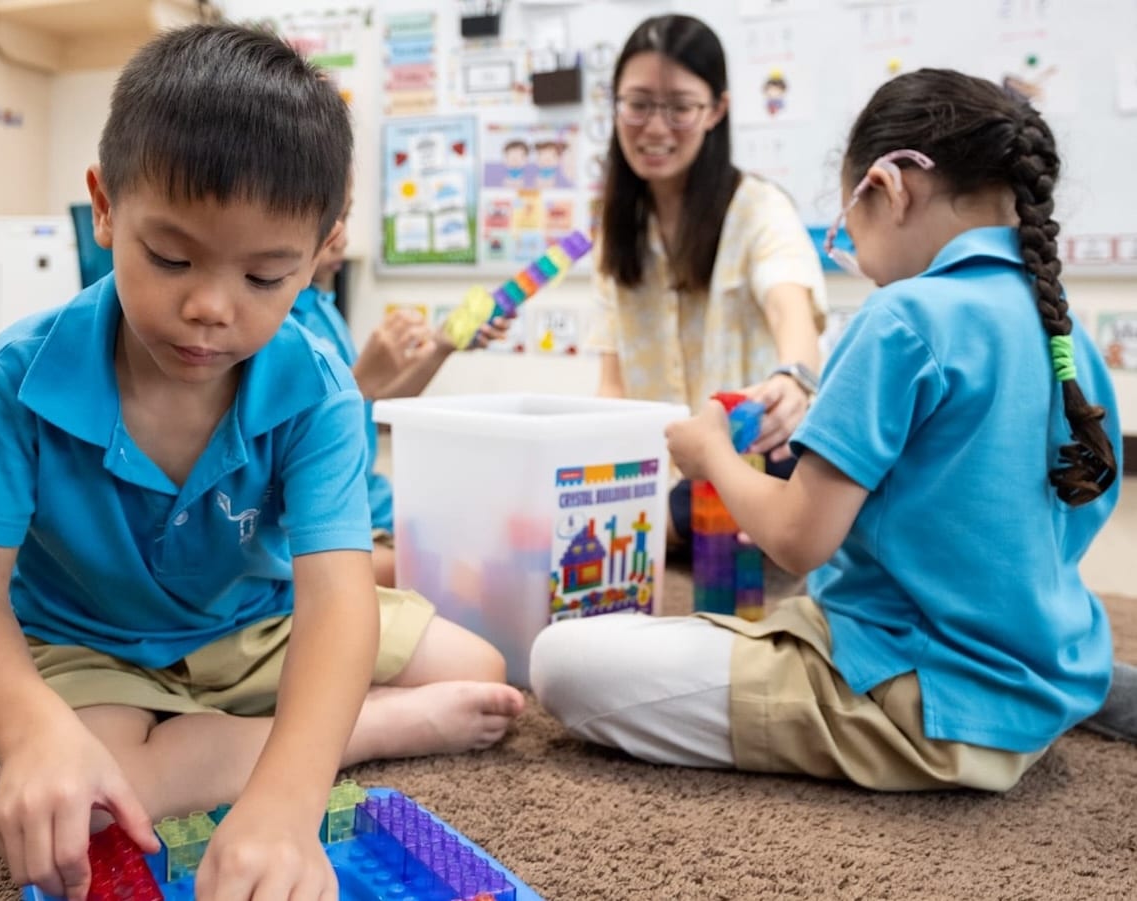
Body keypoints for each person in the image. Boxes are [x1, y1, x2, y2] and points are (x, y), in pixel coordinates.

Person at [0, 25, 523, 901]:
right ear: (106, 208)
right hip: (87, 643)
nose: (208, 308)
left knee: (482, 667)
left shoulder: (318, 392)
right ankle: (365, 727)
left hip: (251, 625)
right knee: (85, 800)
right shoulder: (16, 378)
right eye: (171, 257)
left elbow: (336, 600)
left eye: (266, 276)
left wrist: (286, 802)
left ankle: (303, 731)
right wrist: (32, 730)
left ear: (319, 256)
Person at [531, 68, 1122, 791]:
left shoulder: (902, 317)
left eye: (850, 222)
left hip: (918, 706)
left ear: (890, 188)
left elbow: (797, 537)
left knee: (562, 659)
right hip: (1035, 678)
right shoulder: (1064, 335)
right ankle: (1065, 684)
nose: (857, 256)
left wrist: (711, 452)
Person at [585, 14, 828, 553]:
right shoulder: (615, 230)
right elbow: (613, 387)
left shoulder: (758, 210)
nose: (654, 128)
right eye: (639, 103)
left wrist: (794, 377)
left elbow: (791, 304)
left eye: (680, 108)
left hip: (747, 469)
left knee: (784, 481)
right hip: (655, 482)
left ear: (716, 109)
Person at [290, 183, 509, 586]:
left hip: (374, 500)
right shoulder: (285, 324)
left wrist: (442, 347)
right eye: (331, 216)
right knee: (452, 572)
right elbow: (297, 437)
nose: (344, 237)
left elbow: (379, 409)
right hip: (335, 515)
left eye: (347, 216)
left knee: (492, 535)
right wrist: (360, 383)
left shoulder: (324, 307)